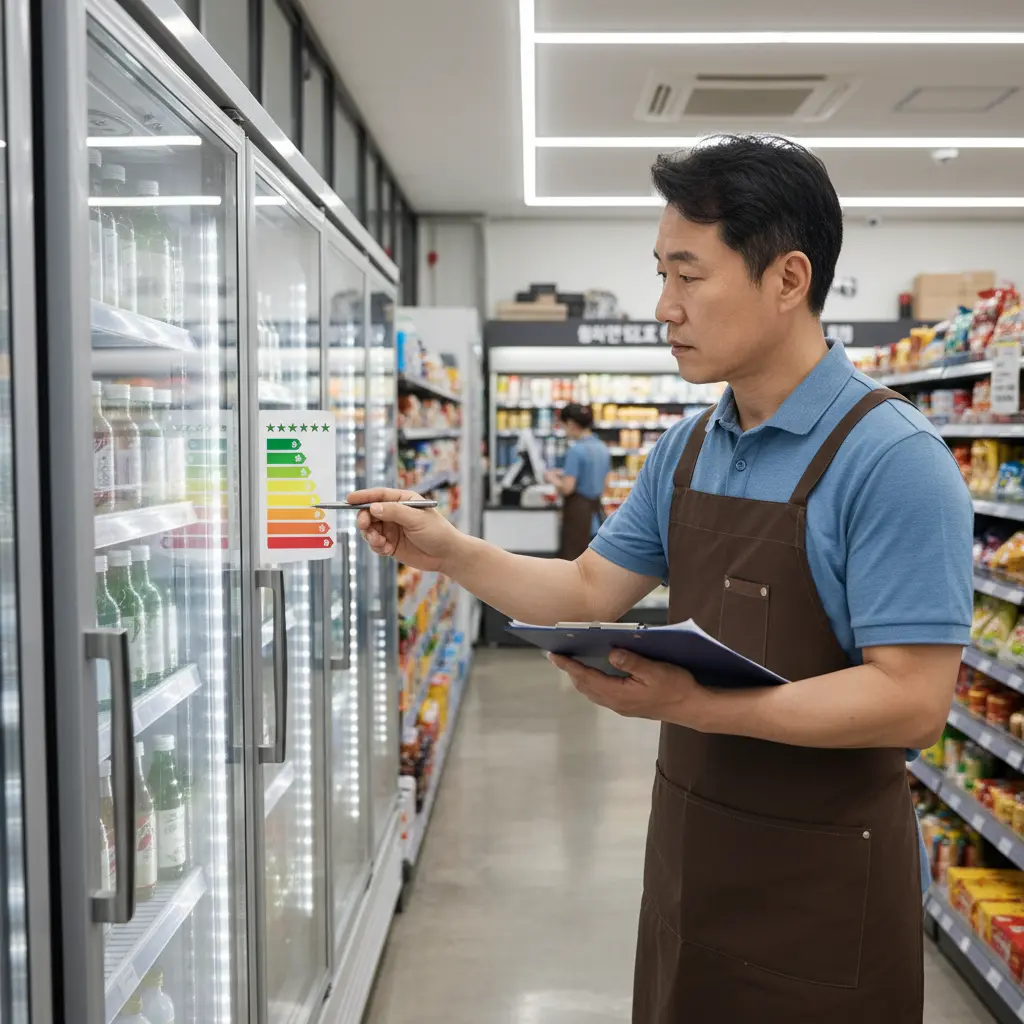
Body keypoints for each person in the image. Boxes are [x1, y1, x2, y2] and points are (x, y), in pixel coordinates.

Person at [350, 134, 973, 1022]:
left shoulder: (892, 460)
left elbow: (912, 700)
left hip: (825, 889)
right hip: (692, 857)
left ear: (788, 280)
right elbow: (587, 591)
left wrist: (692, 705)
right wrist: (449, 552)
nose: (664, 307)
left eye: (689, 275)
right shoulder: (686, 450)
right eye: (661, 274)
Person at [543, 402, 611, 560]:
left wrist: (551, 478)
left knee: (573, 560)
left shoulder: (576, 450)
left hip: (577, 514)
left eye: (564, 425)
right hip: (596, 511)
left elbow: (568, 488)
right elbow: (605, 485)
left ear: (571, 424)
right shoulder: (602, 447)